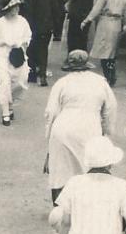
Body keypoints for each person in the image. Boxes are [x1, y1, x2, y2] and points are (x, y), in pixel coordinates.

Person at [44, 50, 118, 202]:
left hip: (63, 128)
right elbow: (110, 109)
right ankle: (85, 206)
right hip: (89, 128)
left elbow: (51, 112)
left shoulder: (62, 83)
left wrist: (49, 140)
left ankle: (60, 209)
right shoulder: (100, 82)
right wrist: (106, 131)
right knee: (88, 169)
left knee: (61, 170)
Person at [0, 0, 32, 126]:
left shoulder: (23, 21)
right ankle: (5, 112)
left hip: (18, 55)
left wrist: (22, 45)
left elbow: (28, 36)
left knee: (21, 81)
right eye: (14, 7)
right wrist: (4, 42)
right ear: (7, 9)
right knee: (4, 82)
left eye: (18, 7)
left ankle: (10, 103)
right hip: (2, 55)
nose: (16, 9)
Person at [81, 0, 126, 86]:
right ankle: (112, 74)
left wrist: (87, 20)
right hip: (117, 24)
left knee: (103, 51)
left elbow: (96, 10)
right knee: (112, 51)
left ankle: (108, 76)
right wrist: (125, 24)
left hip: (105, 23)